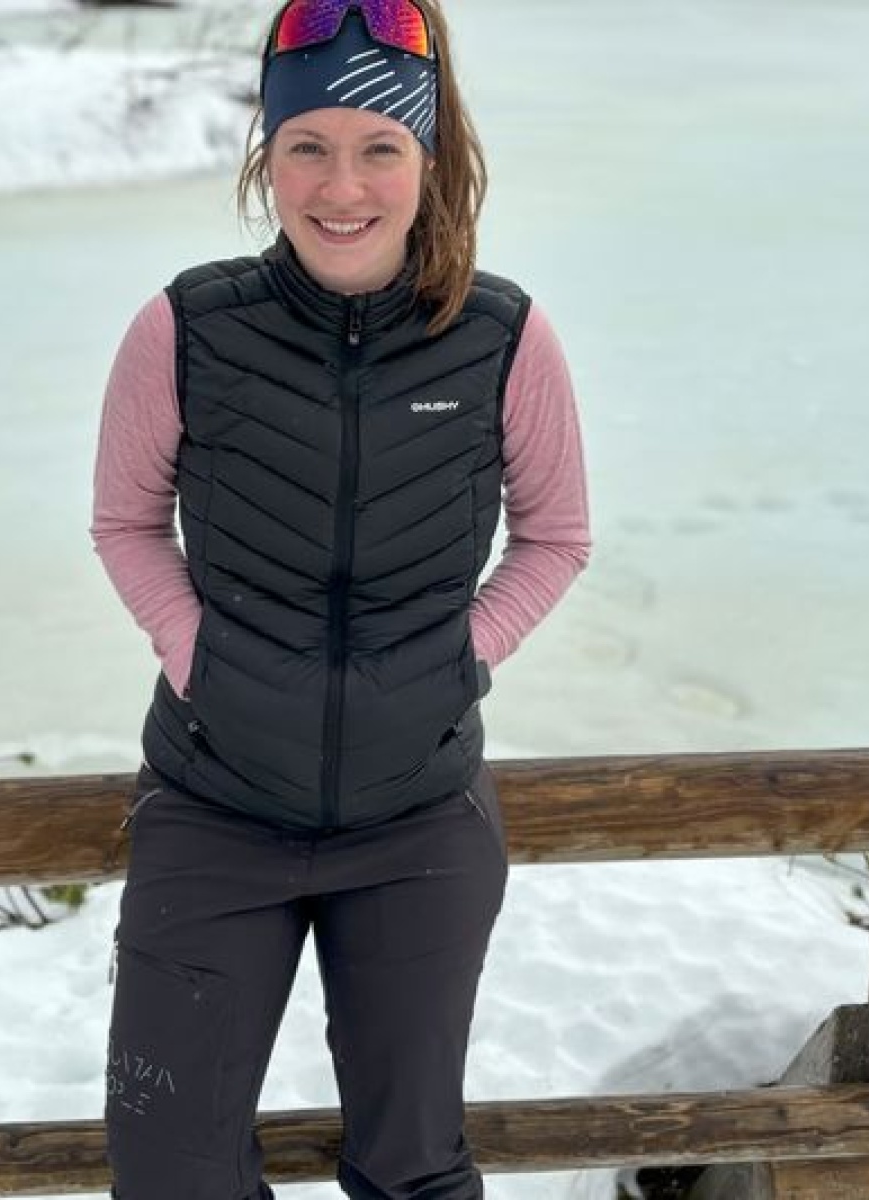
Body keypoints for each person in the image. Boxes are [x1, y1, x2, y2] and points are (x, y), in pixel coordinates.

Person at [90, 1, 590, 1195]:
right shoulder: (185, 327)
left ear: (430, 159)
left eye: (379, 148)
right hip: (214, 807)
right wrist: (199, 658)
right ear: (267, 156)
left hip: (418, 821)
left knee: (411, 1167)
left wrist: (458, 662)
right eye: (307, 146)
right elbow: (124, 524)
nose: (342, 187)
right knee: (170, 1170)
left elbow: (556, 538)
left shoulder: (503, 337)